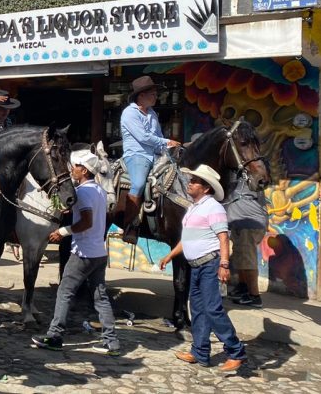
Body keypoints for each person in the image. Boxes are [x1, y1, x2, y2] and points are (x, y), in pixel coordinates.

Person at [31, 150, 119, 356]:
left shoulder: (84, 192)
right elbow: (93, 216)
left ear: (84, 170)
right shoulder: (98, 190)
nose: (72, 170)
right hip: (99, 252)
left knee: (64, 292)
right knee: (100, 297)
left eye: (75, 166)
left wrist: (63, 231)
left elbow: (86, 222)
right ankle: (111, 342)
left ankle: (54, 336)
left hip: (84, 252)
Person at [160, 164, 246, 372]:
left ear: (206, 188)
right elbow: (186, 238)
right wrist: (170, 255)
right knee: (197, 309)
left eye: (195, 181)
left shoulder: (214, 208)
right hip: (195, 266)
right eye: (191, 180)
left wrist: (224, 264)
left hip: (209, 264)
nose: (190, 183)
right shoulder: (193, 208)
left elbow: (223, 237)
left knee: (212, 309)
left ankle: (235, 351)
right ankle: (200, 351)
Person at [120, 76, 181, 238]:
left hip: (155, 156)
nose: (156, 96)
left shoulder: (153, 114)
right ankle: (129, 226)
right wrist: (168, 142)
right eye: (153, 94)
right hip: (137, 155)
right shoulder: (129, 113)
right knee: (139, 183)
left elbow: (158, 136)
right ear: (141, 95)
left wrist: (169, 149)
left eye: (155, 94)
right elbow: (143, 137)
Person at [225, 174, 269, 308]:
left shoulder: (251, 176)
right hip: (239, 223)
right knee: (240, 257)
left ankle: (255, 296)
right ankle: (243, 288)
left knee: (248, 259)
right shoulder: (237, 176)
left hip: (249, 223)